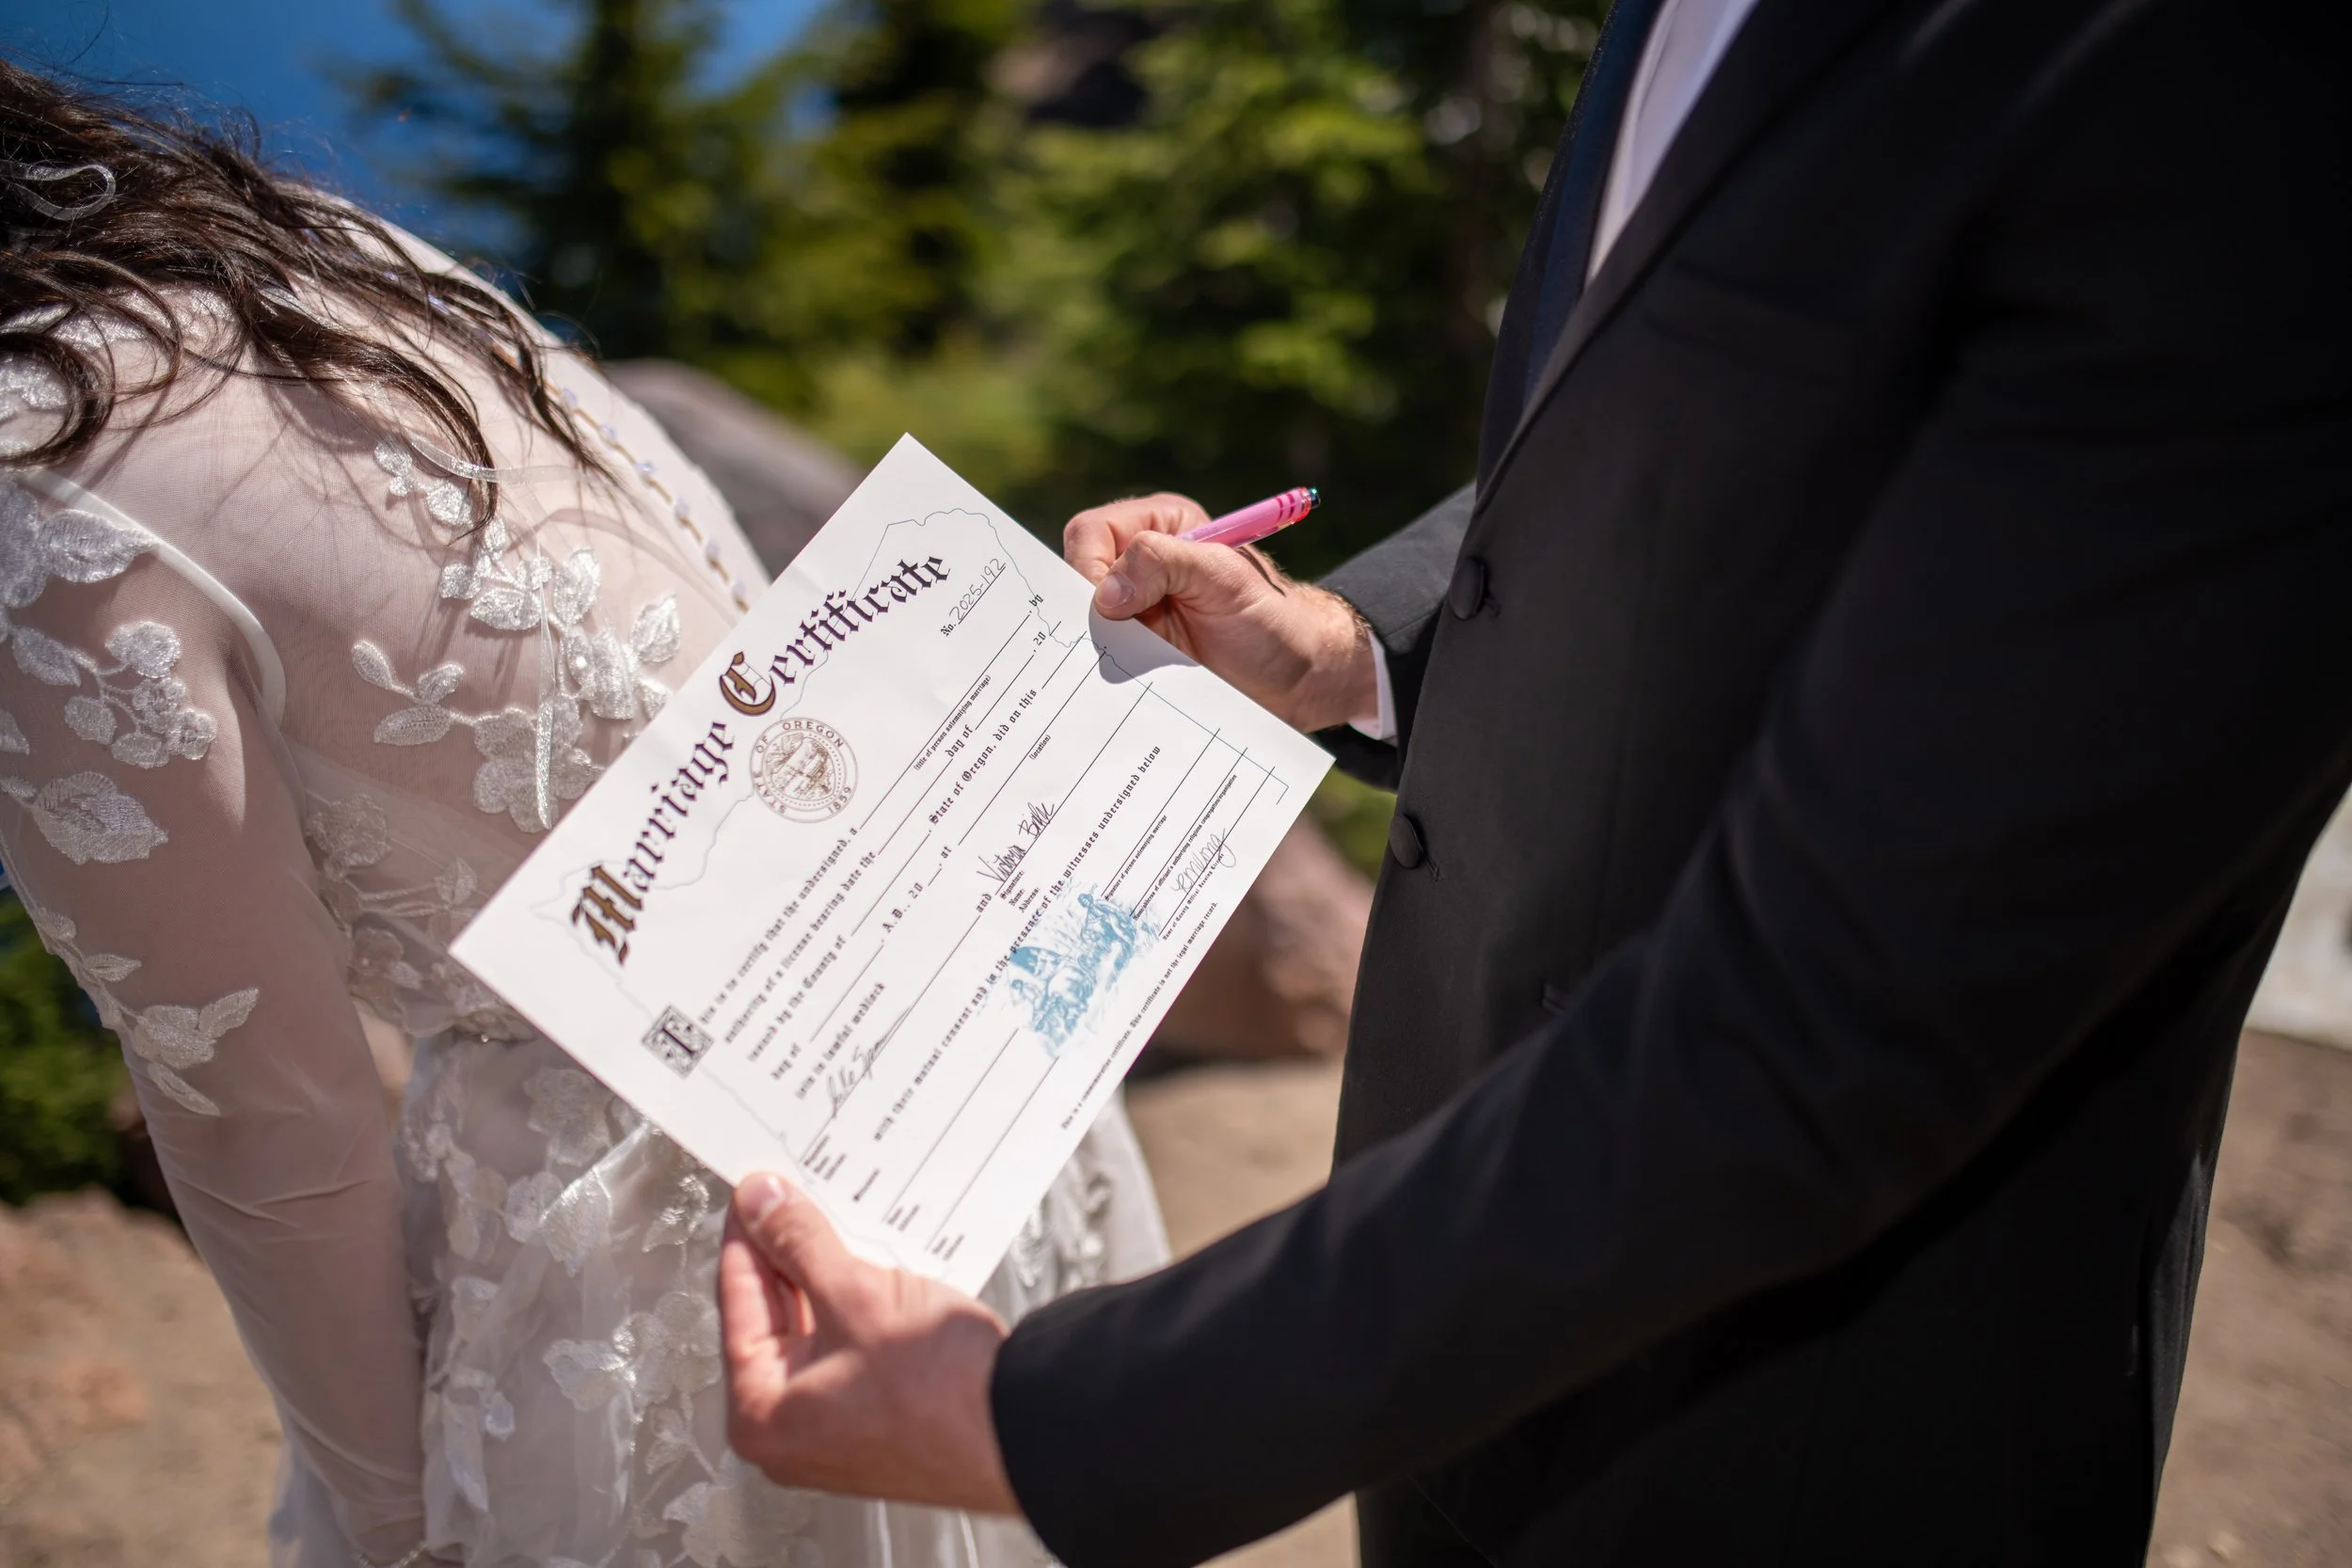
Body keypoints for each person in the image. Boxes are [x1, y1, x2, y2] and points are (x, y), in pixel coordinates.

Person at [713, 0, 2352, 1564]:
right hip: (1440, 1355)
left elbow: (1834, 1026)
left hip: (1817, 1444)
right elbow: (1664, 416)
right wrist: (1351, 644)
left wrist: (1049, 1421)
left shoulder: (2240, 77)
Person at [0, 62, 1168, 1568]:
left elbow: (268, 1120)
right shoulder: (279, 249)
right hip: (927, 1050)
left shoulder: (37, 495)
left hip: (684, 1252)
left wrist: (387, 1519)